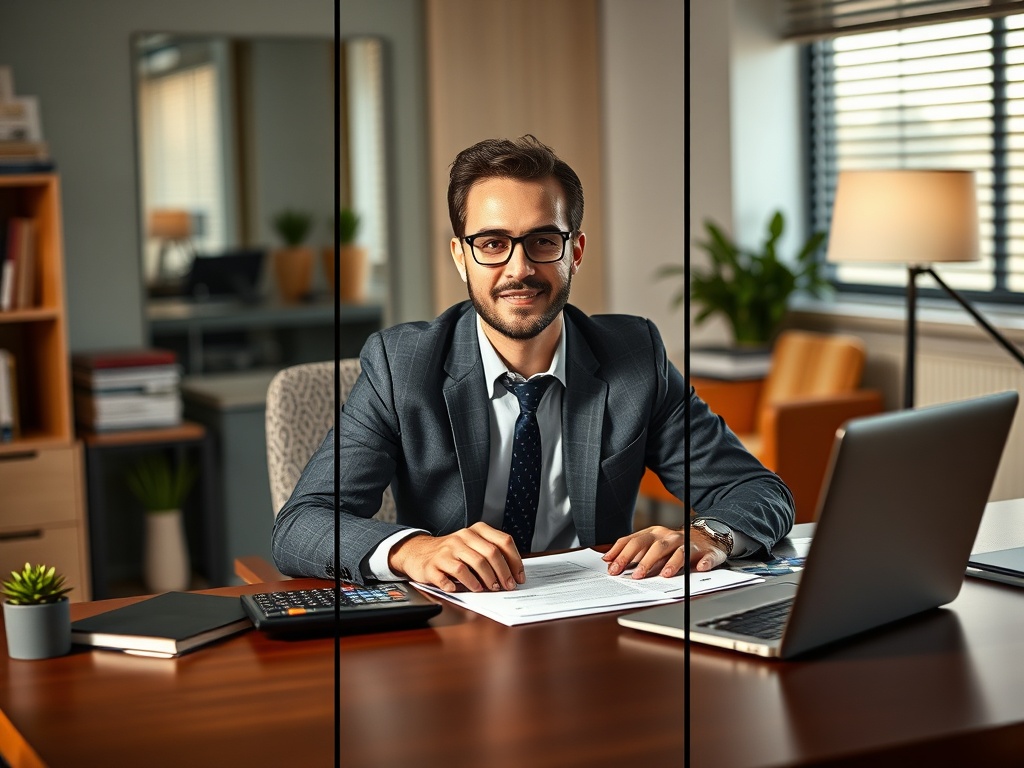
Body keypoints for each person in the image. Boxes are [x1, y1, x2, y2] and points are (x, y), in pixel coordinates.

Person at [272, 135, 794, 593]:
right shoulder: (400, 366)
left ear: (576, 250)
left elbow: (759, 491)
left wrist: (706, 536)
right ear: (460, 256)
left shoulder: (635, 356)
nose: (519, 269)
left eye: (544, 241)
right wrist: (415, 551)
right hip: (457, 633)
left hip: (594, 620)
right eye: (492, 244)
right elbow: (302, 523)